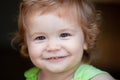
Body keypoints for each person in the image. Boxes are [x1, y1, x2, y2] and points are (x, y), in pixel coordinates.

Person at [12, 0, 115, 80]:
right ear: (26, 44)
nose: (52, 47)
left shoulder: (97, 78)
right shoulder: (32, 76)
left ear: (86, 40)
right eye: (40, 37)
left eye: (64, 35)